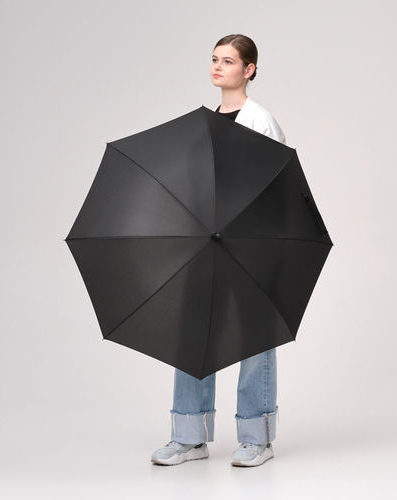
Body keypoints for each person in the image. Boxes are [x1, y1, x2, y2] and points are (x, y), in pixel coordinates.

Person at [151, 34, 287, 468]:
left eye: (228, 61)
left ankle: (256, 438)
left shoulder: (260, 121)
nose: (217, 66)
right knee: (194, 336)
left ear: (249, 69)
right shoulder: (205, 124)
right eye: (214, 59)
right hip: (205, 242)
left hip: (250, 245)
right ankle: (189, 437)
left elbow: (276, 189)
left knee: (255, 339)